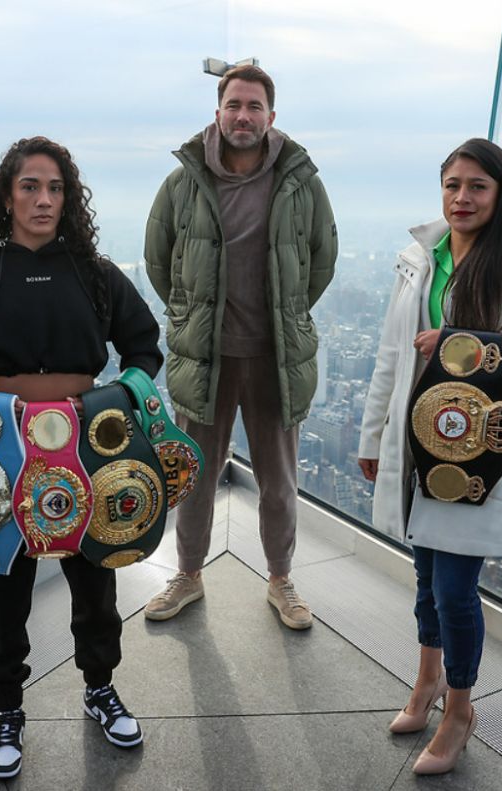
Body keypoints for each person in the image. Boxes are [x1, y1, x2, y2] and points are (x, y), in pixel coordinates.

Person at [0, 136, 163, 779]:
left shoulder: (96, 274)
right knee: (1, 585)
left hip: (86, 447)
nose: (43, 200)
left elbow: (144, 348)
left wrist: (109, 406)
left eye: (55, 189)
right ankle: (7, 710)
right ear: (8, 196)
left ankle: (100, 689)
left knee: (96, 577)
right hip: (5, 454)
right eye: (30, 187)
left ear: (68, 198)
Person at [357, 138, 502, 775]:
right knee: (424, 579)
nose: (462, 198)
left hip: (477, 451)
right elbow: (392, 355)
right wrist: (374, 436)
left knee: (454, 591)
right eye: (452, 185)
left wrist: (462, 345)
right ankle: (423, 685)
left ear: (500, 194)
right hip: (416, 440)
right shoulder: (420, 257)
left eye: (477, 186)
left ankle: (460, 708)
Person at [142, 65, 338, 629]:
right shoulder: (184, 182)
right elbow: (159, 259)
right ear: (218, 111)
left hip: (275, 356)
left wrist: (288, 316)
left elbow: (321, 260)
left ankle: (281, 579)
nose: (243, 116)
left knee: (278, 478)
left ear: (271, 117)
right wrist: (191, 316)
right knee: (194, 475)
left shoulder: (300, 183)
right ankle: (187, 575)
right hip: (206, 355)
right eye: (234, 105)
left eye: (254, 107)